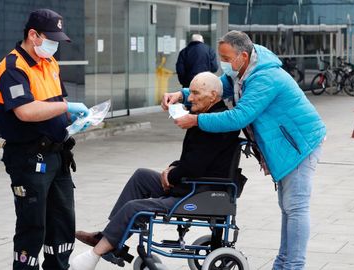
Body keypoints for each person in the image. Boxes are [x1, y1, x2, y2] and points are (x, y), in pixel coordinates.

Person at [162, 30, 326, 270]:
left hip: (300, 144)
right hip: (287, 144)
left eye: (227, 58)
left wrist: (195, 120)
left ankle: (293, 265)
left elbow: (239, 117)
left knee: (296, 207)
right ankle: (284, 264)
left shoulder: (265, 78)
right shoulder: (242, 72)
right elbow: (219, 88)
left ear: (244, 56)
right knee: (288, 208)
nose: (223, 63)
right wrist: (182, 94)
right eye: (221, 57)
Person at [70, 72, 240, 270]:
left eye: (195, 93)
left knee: (134, 207)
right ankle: (108, 237)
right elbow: (195, 159)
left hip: (197, 190)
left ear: (212, 95)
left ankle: (97, 252)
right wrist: (173, 168)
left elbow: (194, 167)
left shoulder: (213, 124)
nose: (190, 97)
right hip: (194, 182)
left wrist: (172, 174)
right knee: (141, 176)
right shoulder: (206, 117)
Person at [0, 9, 89, 270]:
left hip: (57, 155)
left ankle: (59, 265)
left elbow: (58, 103)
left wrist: (75, 120)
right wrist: (66, 107)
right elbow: (25, 111)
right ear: (32, 35)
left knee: (62, 223)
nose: (55, 45)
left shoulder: (50, 63)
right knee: (32, 225)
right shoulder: (13, 67)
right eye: (51, 39)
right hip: (28, 157)